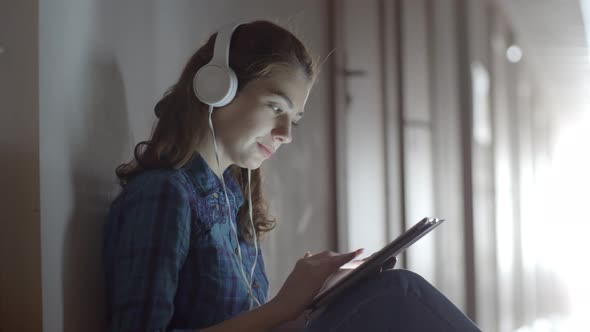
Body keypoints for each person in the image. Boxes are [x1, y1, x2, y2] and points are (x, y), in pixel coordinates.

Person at [103, 20, 481, 332]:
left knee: (387, 295)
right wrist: (284, 305)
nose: (285, 133)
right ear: (217, 88)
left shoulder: (233, 198)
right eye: (275, 106)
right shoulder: (164, 195)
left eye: (293, 120)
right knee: (399, 293)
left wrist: (316, 298)